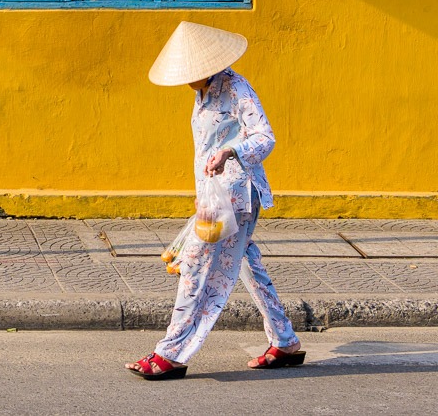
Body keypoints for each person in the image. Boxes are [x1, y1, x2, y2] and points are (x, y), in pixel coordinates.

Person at [125, 21, 305, 380]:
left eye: (191, 72)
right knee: (247, 264)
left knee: (194, 267)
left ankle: (171, 353)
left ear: (208, 66)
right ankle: (284, 340)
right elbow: (204, 149)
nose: (186, 80)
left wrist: (230, 152)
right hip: (216, 198)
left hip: (238, 197)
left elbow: (264, 137)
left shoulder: (237, 88)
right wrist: (202, 194)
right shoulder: (203, 92)